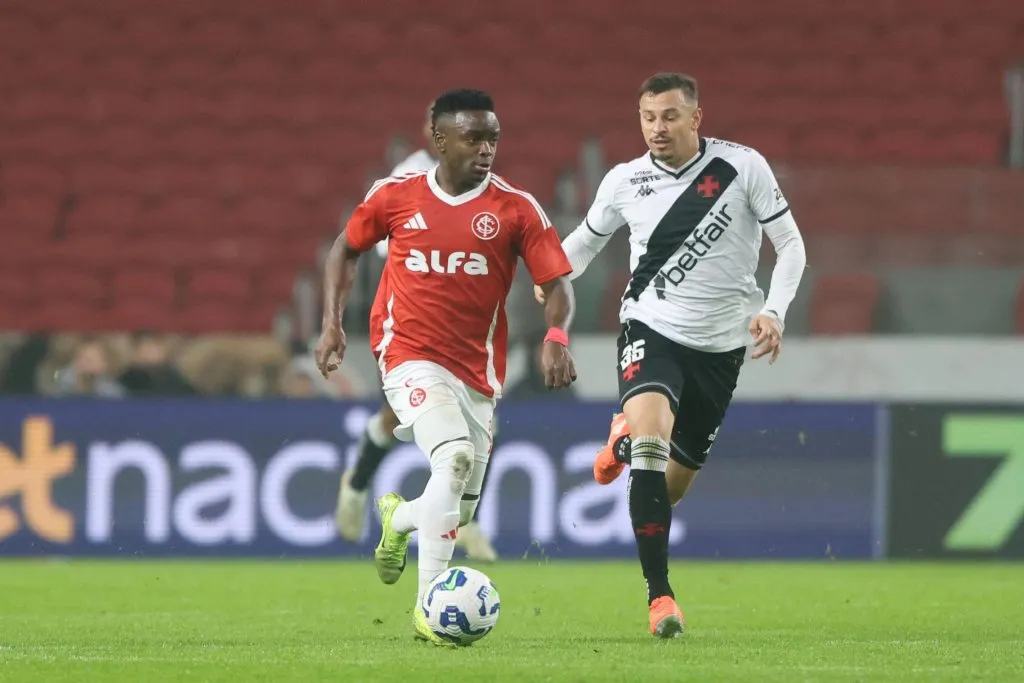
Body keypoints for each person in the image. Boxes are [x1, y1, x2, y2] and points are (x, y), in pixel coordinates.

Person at [536, 72, 806, 639]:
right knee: (653, 453)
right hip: (650, 327)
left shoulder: (742, 167)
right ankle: (660, 597)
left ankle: (624, 436)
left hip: (722, 346)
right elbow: (585, 240)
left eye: (670, 116)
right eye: (648, 118)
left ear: (696, 117)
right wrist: (551, 272)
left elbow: (790, 246)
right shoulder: (624, 180)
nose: (658, 128)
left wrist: (774, 311)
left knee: (671, 487)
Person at [316, 88, 577, 645]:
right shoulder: (396, 195)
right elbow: (345, 249)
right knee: (453, 456)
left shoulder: (516, 208)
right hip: (405, 351)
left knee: (455, 505)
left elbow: (556, 284)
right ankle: (428, 610)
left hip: (477, 371)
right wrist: (332, 324)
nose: (487, 149)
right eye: (474, 137)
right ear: (439, 140)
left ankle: (400, 519)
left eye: (493, 139)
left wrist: (556, 333)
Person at [335, 104, 499, 563]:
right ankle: (357, 485)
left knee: (481, 424)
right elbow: (388, 244)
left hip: (466, 325)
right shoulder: (409, 177)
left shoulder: (481, 180)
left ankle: (464, 519)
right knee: (398, 418)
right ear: (434, 134)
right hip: (412, 319)